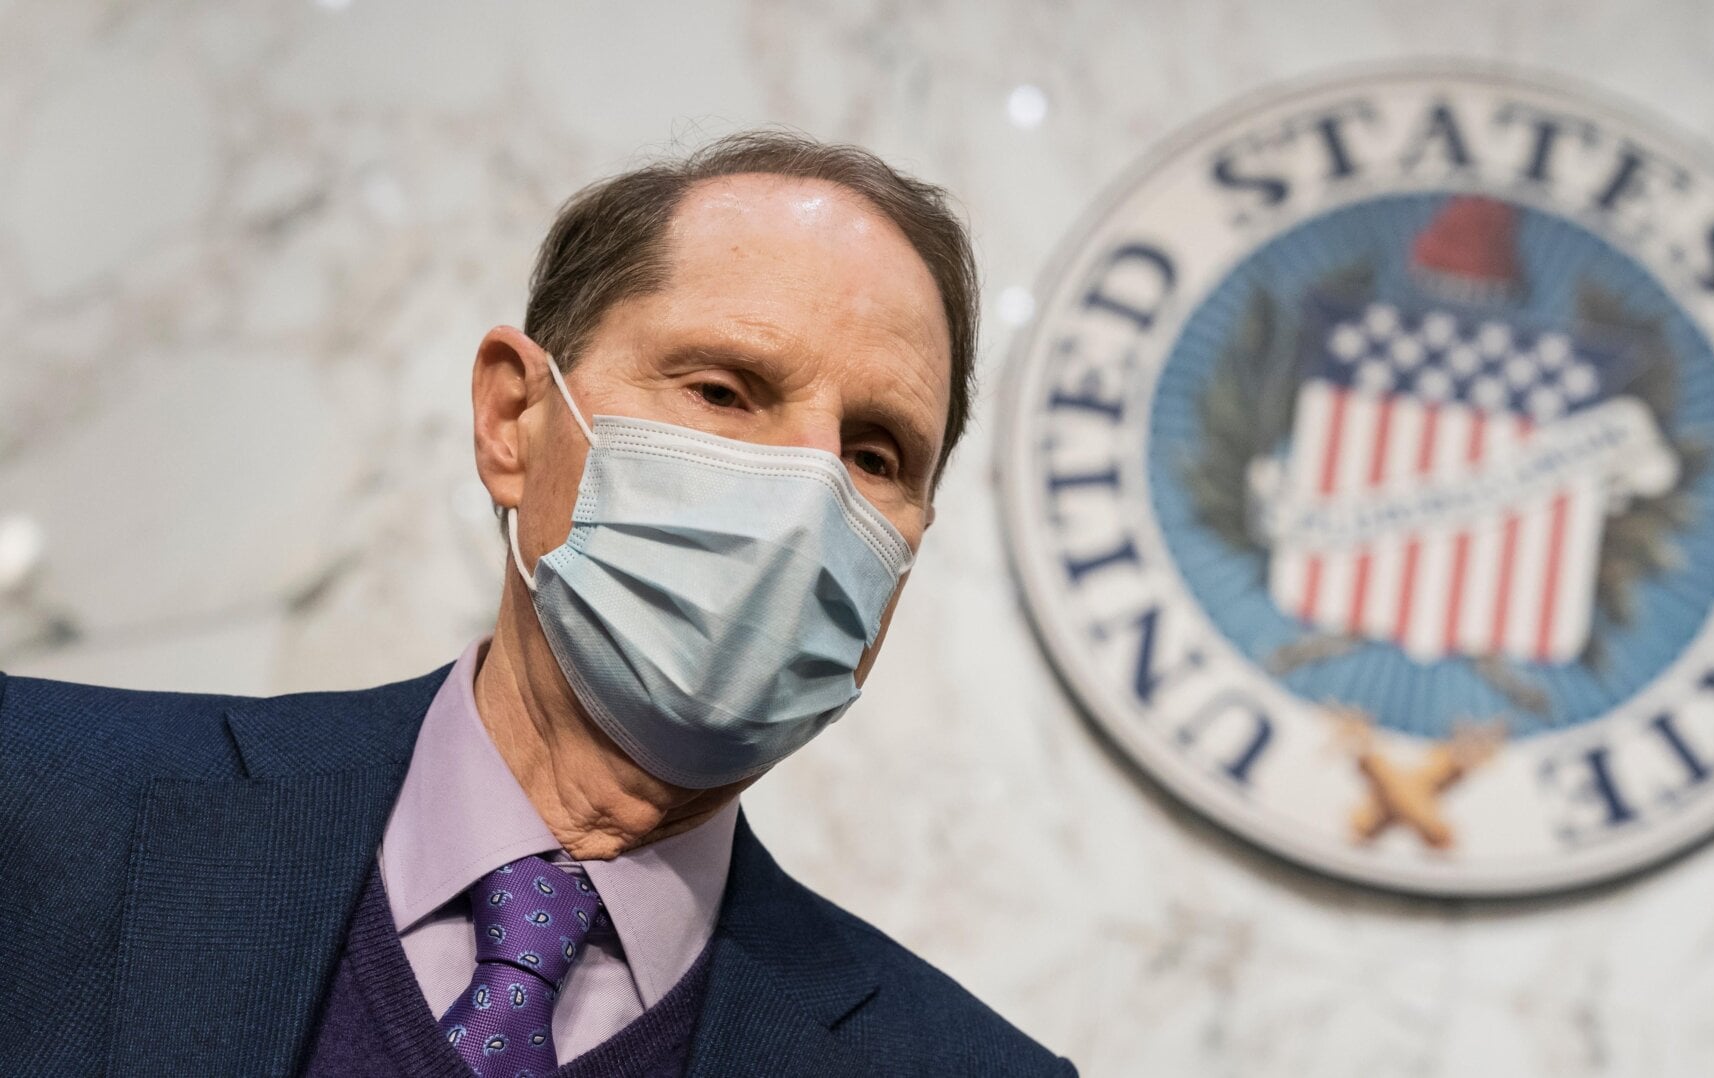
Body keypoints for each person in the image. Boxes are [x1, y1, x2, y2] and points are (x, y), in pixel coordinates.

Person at [0, 131, 1075, 1077]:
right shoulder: (38, 799)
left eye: (876, 454)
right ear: (514, 419)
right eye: (722, 390)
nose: (808, 499)